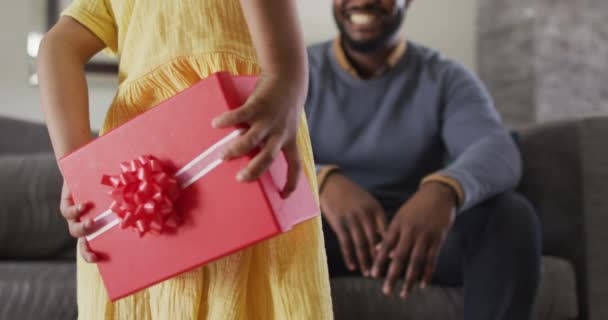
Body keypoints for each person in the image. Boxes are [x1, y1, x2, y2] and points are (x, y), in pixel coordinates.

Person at [37, 0, 332, 319]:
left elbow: (57, 46)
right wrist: (79, 172)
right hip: (145, 168)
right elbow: (57, 46)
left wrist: (283, 77)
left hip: (238, 130)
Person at [305, 0, 541, 319]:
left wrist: (444, 189)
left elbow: (495, 147)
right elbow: (256, 150)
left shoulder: (445, 76)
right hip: (320, 238)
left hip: (418, 238)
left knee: (511, 215)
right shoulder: (296, 72)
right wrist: (321, 181)